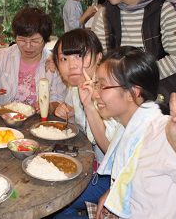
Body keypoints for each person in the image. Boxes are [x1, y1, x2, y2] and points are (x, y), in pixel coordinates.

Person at [91, 46, 176, 218]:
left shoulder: (166, 135)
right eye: (96, 85)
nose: (95, 94)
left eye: (102, 86)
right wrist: (113, 194)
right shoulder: (129, 128)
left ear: (132, 92)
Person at [51, 29, 122, 218]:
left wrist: (90, 106)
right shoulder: (75, 87)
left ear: (99, 57)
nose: (72, 65)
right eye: (64, 59)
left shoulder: (111, 90)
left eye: (80, 56)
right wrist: (70, 114)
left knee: (57, 202)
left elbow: (114, 153)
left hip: (115, 176)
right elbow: (80, 131)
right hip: (93, 164)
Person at [0, 7, 66, 112]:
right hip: (2, 123)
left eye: (35, 41)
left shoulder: (54, 63)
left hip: (37, 124)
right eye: (22, 40)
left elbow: (58, 99)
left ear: (45, 39)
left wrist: (48, 107)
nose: (28, 46)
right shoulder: (4, 56)